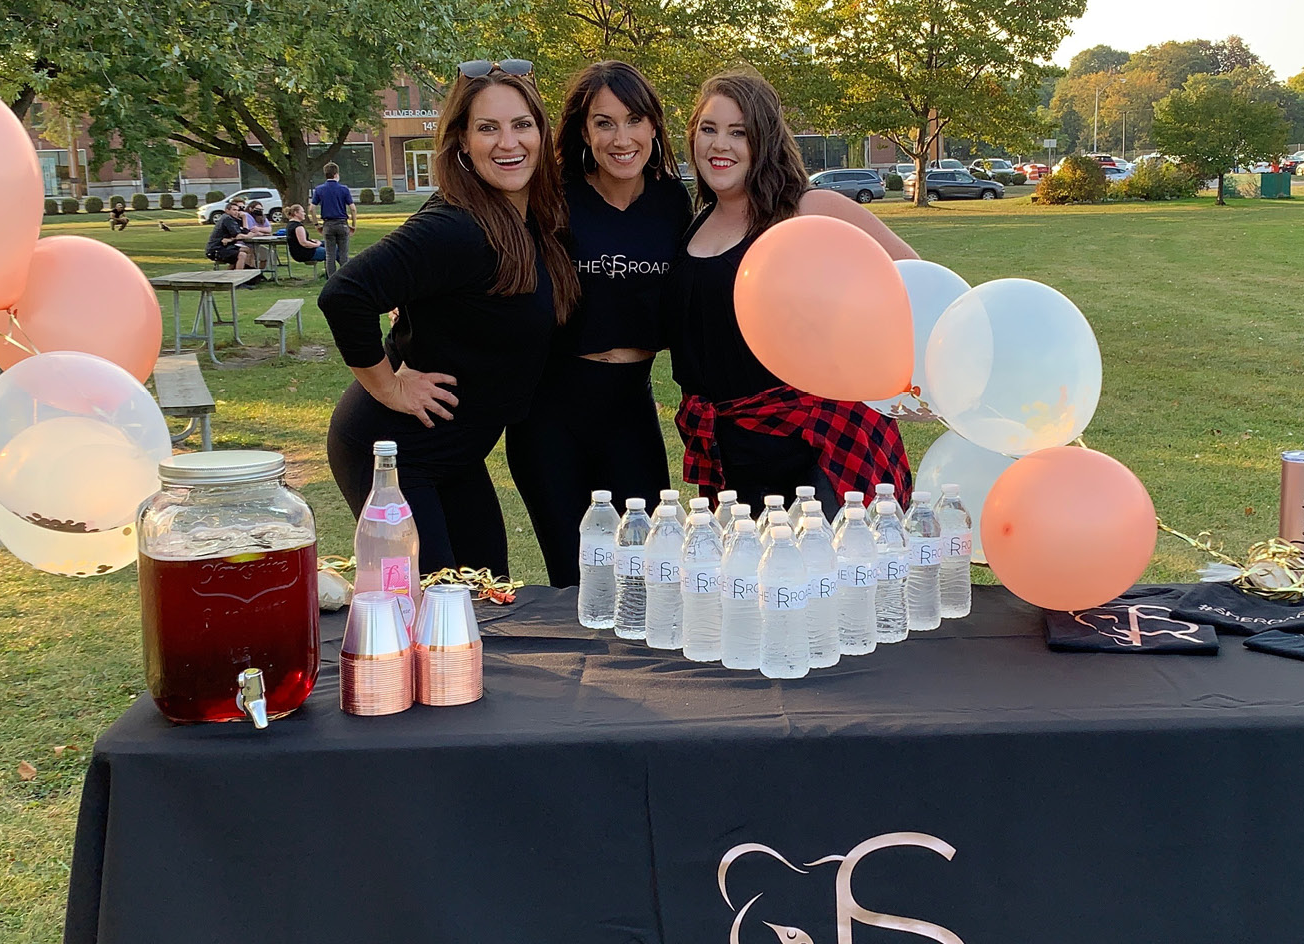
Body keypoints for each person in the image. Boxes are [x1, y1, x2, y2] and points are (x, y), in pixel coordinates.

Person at [318, 59, 579, 579]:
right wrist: (390, 387)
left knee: (485, 599)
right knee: (433, 616)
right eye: (488, 128)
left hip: (453, 456)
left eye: (521, 124)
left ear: (542, 133)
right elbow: (345, 294)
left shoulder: (529, 219)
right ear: (462, 140)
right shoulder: (457, 227)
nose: (509, 143)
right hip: (394, 457)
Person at [672, 70, 916, 506]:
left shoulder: (807, 208)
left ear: (763, 141)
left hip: (817, 445)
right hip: (733, 450)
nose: (719, 144)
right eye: (708, 129)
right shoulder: (694, 225)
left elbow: (914, 276)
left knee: (827, 572)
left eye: (738, 132)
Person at [508, 60, 688, 585]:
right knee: (574, 576)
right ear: (584, 131)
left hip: (631, 410)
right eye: (604, 123)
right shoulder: (552, 197)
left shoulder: (673, 201)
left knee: (647, 574)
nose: (621, 138)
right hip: (550, 415)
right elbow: (478, 236)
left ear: (654, 125)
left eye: (634, 120)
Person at [309, 163, 356, 271]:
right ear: (336, 174)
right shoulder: (343, 189)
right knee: (344, 254)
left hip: (328, 224)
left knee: (330, 255)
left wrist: (316, 224)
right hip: (342, 223)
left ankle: (331, 279)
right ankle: (345, 278)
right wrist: (353, 224)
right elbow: (352, 208)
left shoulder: (319, 189)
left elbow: (311, 208)